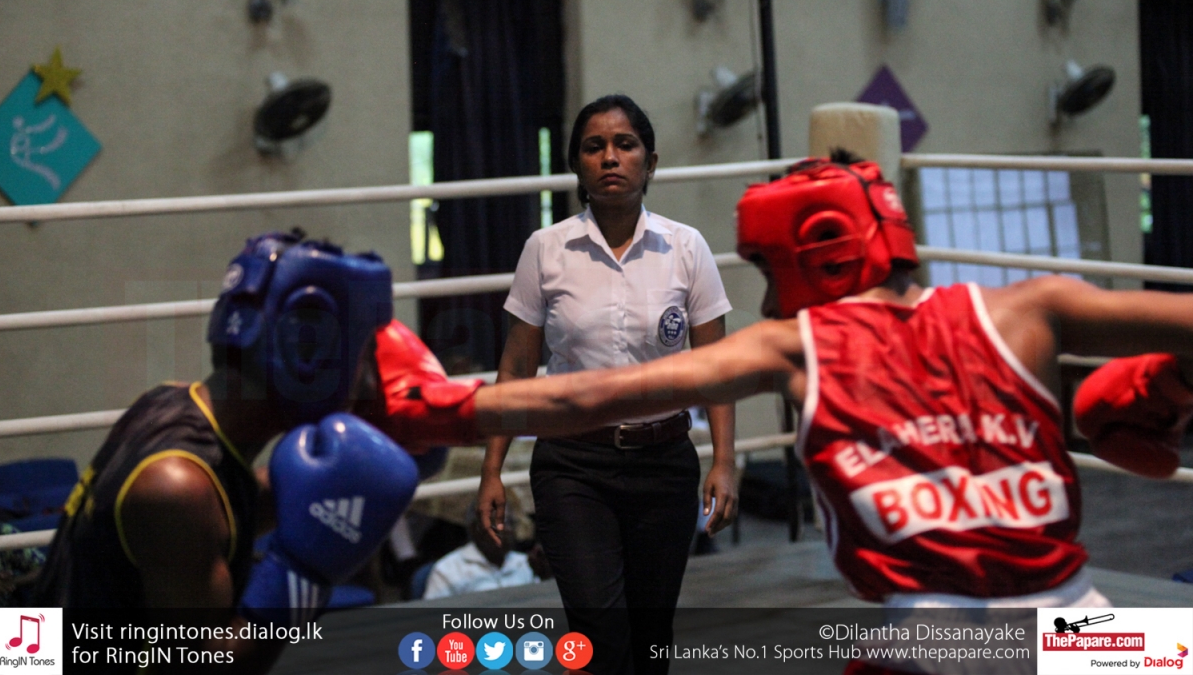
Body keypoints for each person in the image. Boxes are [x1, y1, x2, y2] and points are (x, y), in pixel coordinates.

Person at [370, 151, 1193, 618]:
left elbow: (584, 397)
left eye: (767, 268)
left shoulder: (796, 344)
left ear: (820, 251)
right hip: (1087, 633)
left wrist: (435, 407)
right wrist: (1175, 383)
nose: (766, 298)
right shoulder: (1033, 308)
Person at [33, 231, 420, 674]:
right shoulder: (175, 486)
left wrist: (344, 485)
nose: (368, 383)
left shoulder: (169, 403)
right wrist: (302, 576)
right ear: (307, 354)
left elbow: (223, 513)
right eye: (364, 355)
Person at [476, 94, 737, 674]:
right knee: (599, 633)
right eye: (594, 147)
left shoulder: (686, 247)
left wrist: (724, 460)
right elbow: (516, 369)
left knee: (650, 636)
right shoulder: (545, 250)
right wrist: (492, 469)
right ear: (577, 165)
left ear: (651, 161)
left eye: (625, 145)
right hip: (572, 467)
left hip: (665, 465)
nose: (610, 158)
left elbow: (715, 366)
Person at [422, 499, 547, 600]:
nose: (508, 530)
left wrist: (546, 578)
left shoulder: (526, 563)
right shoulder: (448, 569)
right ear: (475, 529)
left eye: (510, 523)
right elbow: (433, 618)